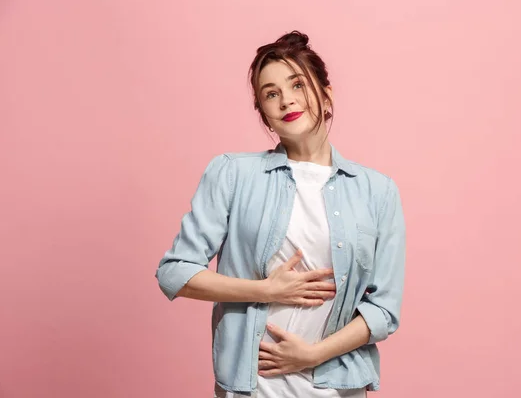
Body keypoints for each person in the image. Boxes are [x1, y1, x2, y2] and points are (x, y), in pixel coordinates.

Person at [155, 30, 406, 398]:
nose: (286, 100)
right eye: (271, 94)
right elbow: (174, 271)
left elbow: (384, 310)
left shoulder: (378, 191)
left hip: (337, 388)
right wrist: (265, 289)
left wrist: (310, 356)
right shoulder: (233, 174)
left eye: (297, 85)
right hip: (253, 387)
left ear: (327, 94)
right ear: (265, 115)